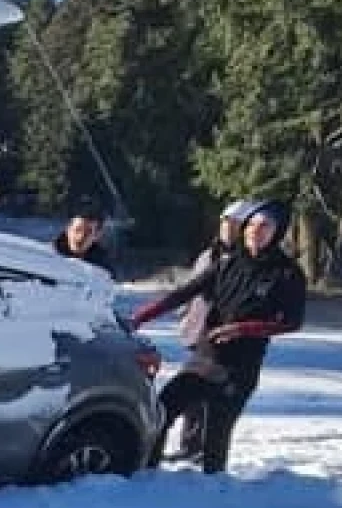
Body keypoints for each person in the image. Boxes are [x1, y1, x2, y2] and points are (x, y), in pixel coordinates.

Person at [128, 199, 307, 474]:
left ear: (277, 232)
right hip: (205, 356)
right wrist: (141, 317)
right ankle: (147, 473)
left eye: (264, 227)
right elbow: (184, 293)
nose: (255, 232)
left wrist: (242, 329)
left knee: (216, 435)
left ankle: (214, 497)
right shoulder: (227, 262)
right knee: (162, 411)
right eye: (252, 225)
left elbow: (291, 323)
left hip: (240, 366)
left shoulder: (287, 273)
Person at [169, 199, 252, 460]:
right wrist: (184, 314)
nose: (228, 228)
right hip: (197, 331)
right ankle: (191, 444)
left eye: (235, 224)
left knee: (214, 394)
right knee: (190, 392)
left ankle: (207, 449)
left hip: (225, 336)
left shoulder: (245, 259)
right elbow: (192, 287)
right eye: (225, 222)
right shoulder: (208, 254)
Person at [52, 200, 116, 277]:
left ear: (97, 236)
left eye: (88, 232)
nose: (81, 236)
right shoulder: (50, 254)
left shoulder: (103, 266)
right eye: (77, 229)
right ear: (68, 229)